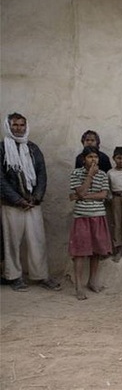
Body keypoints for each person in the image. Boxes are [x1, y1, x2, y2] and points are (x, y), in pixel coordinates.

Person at [1, 113, 60, 292]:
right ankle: (14, 276)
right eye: (15, 125)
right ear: (8, 126)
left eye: (22, 125)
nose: (19, 128)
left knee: (37, 240)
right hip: (11, 205)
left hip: (33, 204)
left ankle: (41, 275)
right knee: (12, 241)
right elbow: (1, 179)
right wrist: (17, 199)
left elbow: (41, 174)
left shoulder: (33, 149)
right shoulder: (2, 149)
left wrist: (36, 196)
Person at [68, 146, 112, 300]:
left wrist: (81, 196)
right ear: (83, 159)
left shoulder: (103, 175)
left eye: (96, 157)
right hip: (82, 216)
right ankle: (79, 285)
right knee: (80, 252)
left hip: (98, 215)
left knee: (96, 251)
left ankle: (92, 281)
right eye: (90, 157)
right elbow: (80, 191)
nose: (93, 160)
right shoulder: (76, 173)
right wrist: (90, 177)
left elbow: (103, 195)